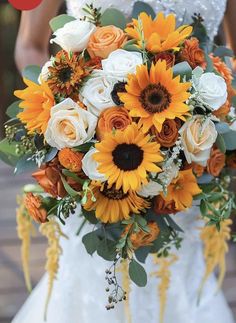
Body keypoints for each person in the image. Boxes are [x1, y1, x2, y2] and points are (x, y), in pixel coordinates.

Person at [13, 1, 236, 323]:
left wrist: (206, 127)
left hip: (187, 168)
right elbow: (30, 46)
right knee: (92, 280)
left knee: (176, 278)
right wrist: (67, 119)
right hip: (89, 161)